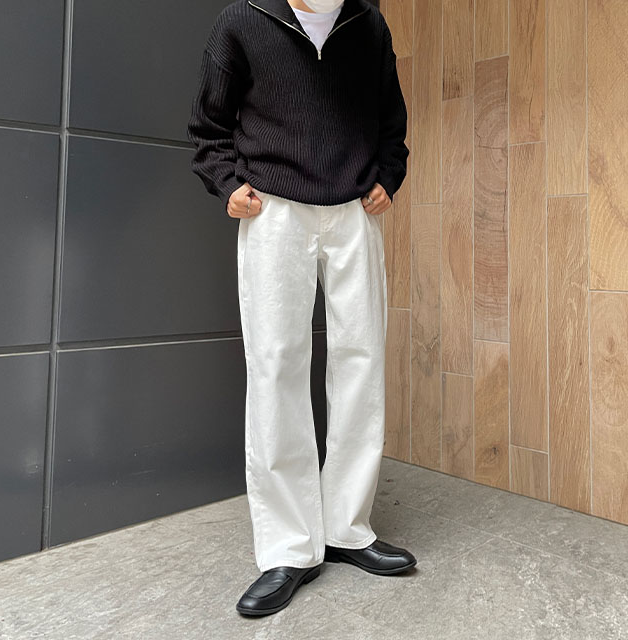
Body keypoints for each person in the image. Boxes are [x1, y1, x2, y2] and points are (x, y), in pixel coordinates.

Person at [187, 0, 416, 617]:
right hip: (273, 210)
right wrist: (226, 181)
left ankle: (347, 528)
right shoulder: (242, 20)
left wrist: (388, 173)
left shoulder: (367, 24)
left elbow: (390, 114)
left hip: (353, 211)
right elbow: (208, 123)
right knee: (276, 366)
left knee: (362, 362)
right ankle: (289, 548)